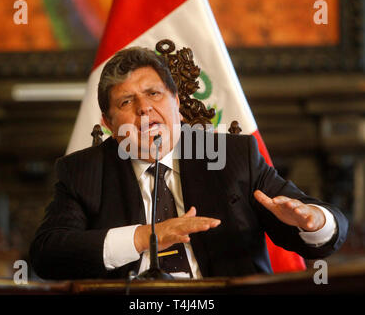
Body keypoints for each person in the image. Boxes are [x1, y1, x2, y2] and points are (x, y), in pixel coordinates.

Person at [30, 47, 348, 280]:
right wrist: (146, 236)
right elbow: (48, 254)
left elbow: (319, 234)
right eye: (126, 102)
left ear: (177, 103)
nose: (144, 110)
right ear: (109, 123)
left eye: (153, 94)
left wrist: (312, 221)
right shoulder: (83, 171)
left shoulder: (232, 157)